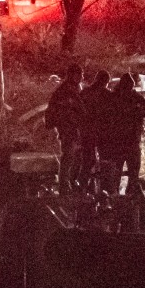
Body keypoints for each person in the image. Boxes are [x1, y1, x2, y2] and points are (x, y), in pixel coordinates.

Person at [102, 73, 145, 194]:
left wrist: (139, 112)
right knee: (118, 171)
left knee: (132, 171)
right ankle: (116, 194)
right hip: (119, 141)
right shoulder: (115, 97)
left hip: (129, 140)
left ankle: (128, 194)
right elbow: (106, 117)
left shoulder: (133, 97)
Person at [45, 64, 86, 193]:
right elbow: (59, 110)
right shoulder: (65, 91)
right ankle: (64, 184)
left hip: (74, 127)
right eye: (80, 74)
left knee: (76, 157)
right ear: (73, 75)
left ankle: (71, 182)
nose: (82, 77)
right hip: (68, 128)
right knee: (69, 156)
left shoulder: (73, 88)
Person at [78, 70, 113, 193]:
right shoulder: (107, 95)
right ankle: (104, 188)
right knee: (104, 160)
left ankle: (83, 186)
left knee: (87, 161)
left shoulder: (84, 92)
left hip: (86, 132)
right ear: (106, 82)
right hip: (101, 132)